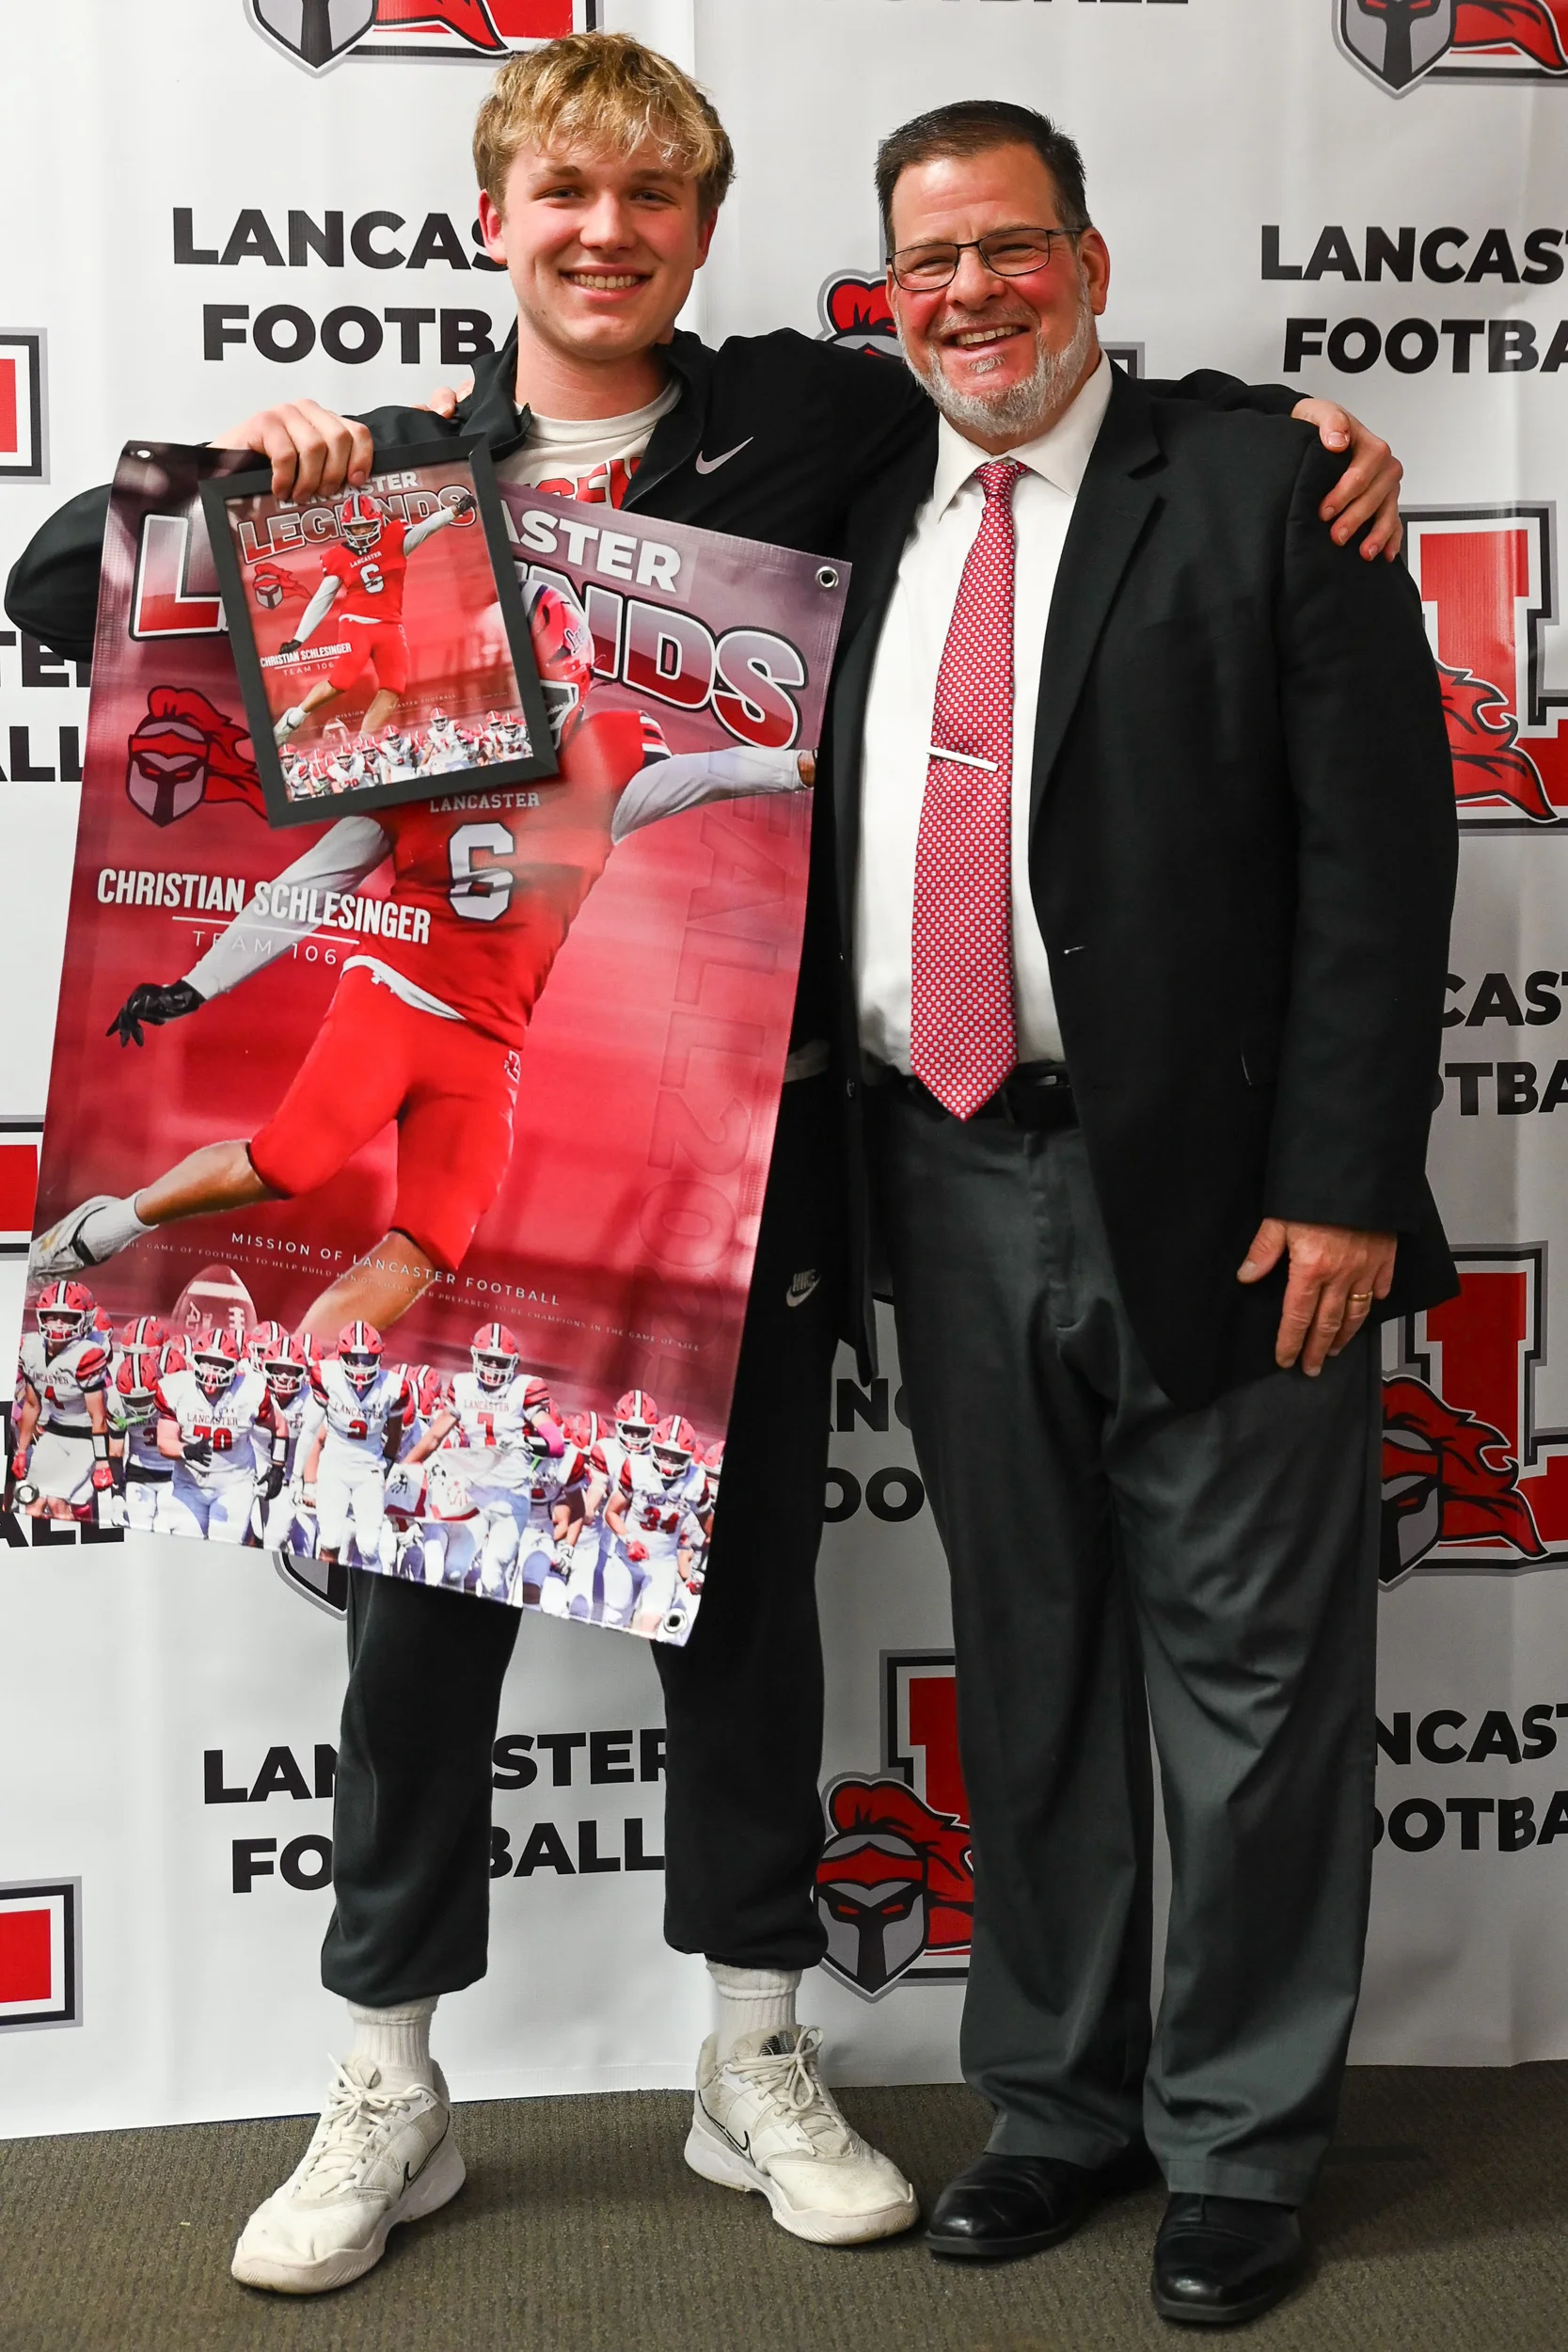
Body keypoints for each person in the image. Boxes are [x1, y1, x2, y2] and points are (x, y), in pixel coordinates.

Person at [6, 31, 1414, 2299]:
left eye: (647, 203)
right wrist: (263, 467)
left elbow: (1062, 414)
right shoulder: (393, 475)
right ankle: (387, 2070)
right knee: (413, 1623)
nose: (603, 236)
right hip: (442, 1073)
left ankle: (750, 2042)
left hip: (729, 1164)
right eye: (560, 196)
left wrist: (1307, 434)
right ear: (492, 222)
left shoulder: (807, 429)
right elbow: (73, 587)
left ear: (697, 230)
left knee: (743, 1615)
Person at [831, 102, 1457, 2325]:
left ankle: (1237, 2137)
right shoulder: (846, 494)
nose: (970, 294)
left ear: (1089, 265)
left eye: (1010, 249)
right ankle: (1056, 2105)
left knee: (1259, 1684)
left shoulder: (1265, 480)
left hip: (1219, 1199)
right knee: (1034, 1670)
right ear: (877, 291)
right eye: (927, 262)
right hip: (937, 1171)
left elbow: (1379, 866)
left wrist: (1342, 1186)